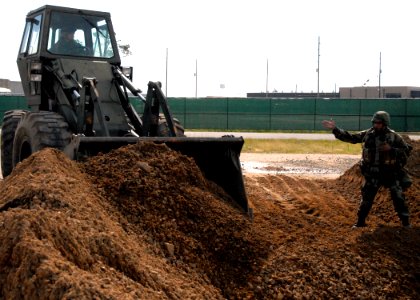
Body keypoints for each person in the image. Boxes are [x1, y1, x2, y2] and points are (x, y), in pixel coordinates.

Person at [322, 111, 412, 228]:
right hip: (372, 173)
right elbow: (351, 138)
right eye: (374, 122)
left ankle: (406, 222)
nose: (375, 125)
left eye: (378, 123)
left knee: (398, 196)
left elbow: (406, 150)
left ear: (385, 123)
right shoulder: (368, 134)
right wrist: (335, 129)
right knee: (366, 199)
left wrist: (391, 149)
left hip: (390, 173)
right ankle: (360, 222)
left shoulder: (394, 136)